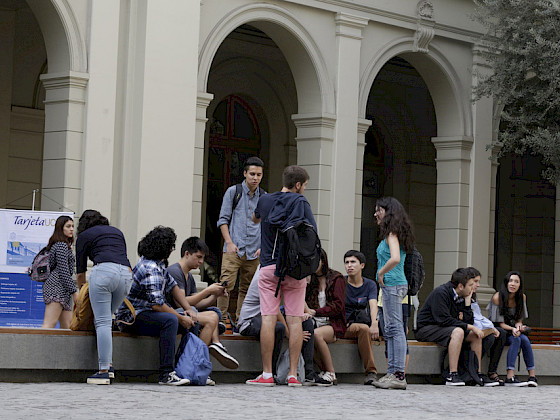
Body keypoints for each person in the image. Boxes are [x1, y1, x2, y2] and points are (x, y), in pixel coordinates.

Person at [246, 165, 316, 387]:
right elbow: (311, 233)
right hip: (294, 270)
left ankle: (267, 374)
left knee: (268, 317)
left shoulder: (265, 200)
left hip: (268, 267)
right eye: (304, 186)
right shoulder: (301, 202)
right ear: (298, 185)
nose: (304, 190)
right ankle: (293, 374)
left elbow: (255, 219)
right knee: (295, 320)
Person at [115, 226, 196, 386]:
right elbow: (157, 305)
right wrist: (180, 317)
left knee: (191, 320)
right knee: (170, 320)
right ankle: (166, 374)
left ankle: (186, 369)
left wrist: (188, 310)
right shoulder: (150, 268)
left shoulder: (159, 265)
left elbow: (173, 288)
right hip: (132, 318)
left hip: (147, 313)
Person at [238, 267, 331, 386]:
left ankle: (308, 373)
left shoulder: (288, 271)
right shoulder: (266, 274)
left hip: (274, 316)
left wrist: (306, 313)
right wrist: (292, 334)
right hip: (251, 320)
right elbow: (273, 310)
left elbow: (297, 304)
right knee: (279, 327)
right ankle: (270, 372)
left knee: (306, 322)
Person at [166, 236, 239, 374]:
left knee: (215, 311)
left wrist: (215, 295)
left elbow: (198, 303)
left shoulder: (190, 276)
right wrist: (207, 290)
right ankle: (207, 353)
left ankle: (214, 345)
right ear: (187, 254)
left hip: (188, 312)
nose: (200, 262)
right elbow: (182, 302)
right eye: (198, 257)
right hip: (175, 314)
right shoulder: (175, 271)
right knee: (211, 317)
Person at [75, 210, 132, 385]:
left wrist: (82, 291)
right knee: (107, 319)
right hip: (126, 275)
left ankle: (103, 370)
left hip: (104, 273)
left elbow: (80, 271)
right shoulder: (117, 231)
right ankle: (110, 365)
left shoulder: (84, 236)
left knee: (102, 322)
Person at [371, 197, 414, 390]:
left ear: (387, 212)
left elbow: (395, 258)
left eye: (378, 210)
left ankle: (396, 374)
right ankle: (393, 373)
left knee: (394, 330)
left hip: (393, 285)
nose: (375, 214)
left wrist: (381, 272)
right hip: (395, 286)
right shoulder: (396, 233)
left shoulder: (391, 234)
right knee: (393, 329)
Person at [415, 268, 485, 386]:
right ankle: (452, 374)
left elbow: (469, 322)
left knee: (475, 335)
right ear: (461, 286)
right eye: (471, 285)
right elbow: (443, 319)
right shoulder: (441, 293)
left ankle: (476, 374)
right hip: (426, 329)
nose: (473, 288)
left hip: (444, 328)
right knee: (458, 332)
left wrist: (467, 303)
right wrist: (469, 326)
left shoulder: (463, 295)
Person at [216, 156, 265, 325]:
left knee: (247, 289)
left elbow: (266, 225)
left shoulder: (264, 197)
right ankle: (221, 320)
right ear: (244, 173)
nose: (255, 178)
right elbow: (223, 220)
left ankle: (241, 321)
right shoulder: (233, 192)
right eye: (252, 174)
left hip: (254, 251)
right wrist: (229, 242)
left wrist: (262, 247)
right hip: (234, 248)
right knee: (224, 286)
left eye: (259, 174)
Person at [487, 271, 538, 387]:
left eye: (516, 281)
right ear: (506, 283)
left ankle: (532, 376)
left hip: (511, 329)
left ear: (520, 285)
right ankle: (510, 376)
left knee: (524, 339)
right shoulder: (497, 297)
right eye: (510, 281)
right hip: (499, 331)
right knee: (517, 340)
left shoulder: (521, 297)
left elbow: (519, 319)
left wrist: (519, 327)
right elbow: (499, 323)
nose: (513, 284)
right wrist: (513, 329)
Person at [305, 248, 346, 385]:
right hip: (314, 320)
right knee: (306, 334)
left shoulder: (336, 278)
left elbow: (338, 307)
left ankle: (331, 372)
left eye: (316, 261)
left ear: (323, 261)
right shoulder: (310, 279)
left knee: (316, 334)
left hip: (333, 323)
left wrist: (317, 312)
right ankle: (322, 371)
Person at [343, 250, 380, 386]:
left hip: (363, 321)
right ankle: (371, 372)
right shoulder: (341, 282)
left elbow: (373, 303)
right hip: (344, 325)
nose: (349, 266)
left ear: (362, 265)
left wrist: (375, 323)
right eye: (347, 263)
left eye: (353, 262)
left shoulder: (370, 284)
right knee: (364, 329)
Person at [466, 267, 504, 386]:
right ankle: (476, 371)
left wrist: (491, 328)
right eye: (475, 282)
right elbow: (470, 319)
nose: (478, 285)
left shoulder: (473, 297)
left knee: (500, 333)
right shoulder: (463, 296)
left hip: (475, 328)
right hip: (466, 331)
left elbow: (479, 317)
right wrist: (490, 329)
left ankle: (491, 371)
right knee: (491, 335)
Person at [41, 215, 77, 329]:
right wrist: (74, 292)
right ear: (60, 228)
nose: (71, 229)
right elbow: (63, 271)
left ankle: (65, 348)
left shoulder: (62, 245)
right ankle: (36, 347)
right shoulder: (61, 245)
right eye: (68, 226)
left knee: (67, 327)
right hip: (56, 288)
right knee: (49, 324)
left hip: (63, 288)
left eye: (72, 226)